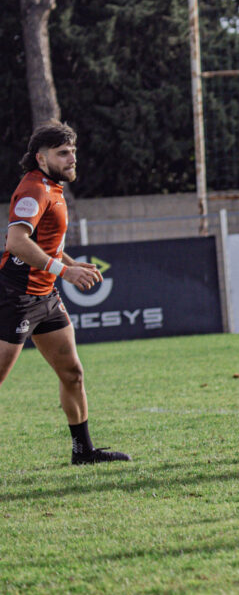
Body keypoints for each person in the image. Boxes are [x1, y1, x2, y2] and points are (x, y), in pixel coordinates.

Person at [0, 121, 131, 465]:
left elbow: (45, 243)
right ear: (41, 158)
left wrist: (69, 263)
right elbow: (16, 242)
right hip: (15, 297)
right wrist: (65, 271)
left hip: (45, 297)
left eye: (72, 151)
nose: (72, 158)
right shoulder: (34, 190)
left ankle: (83, 452)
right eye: (62, 153)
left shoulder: (52, 186)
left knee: (72, 373)